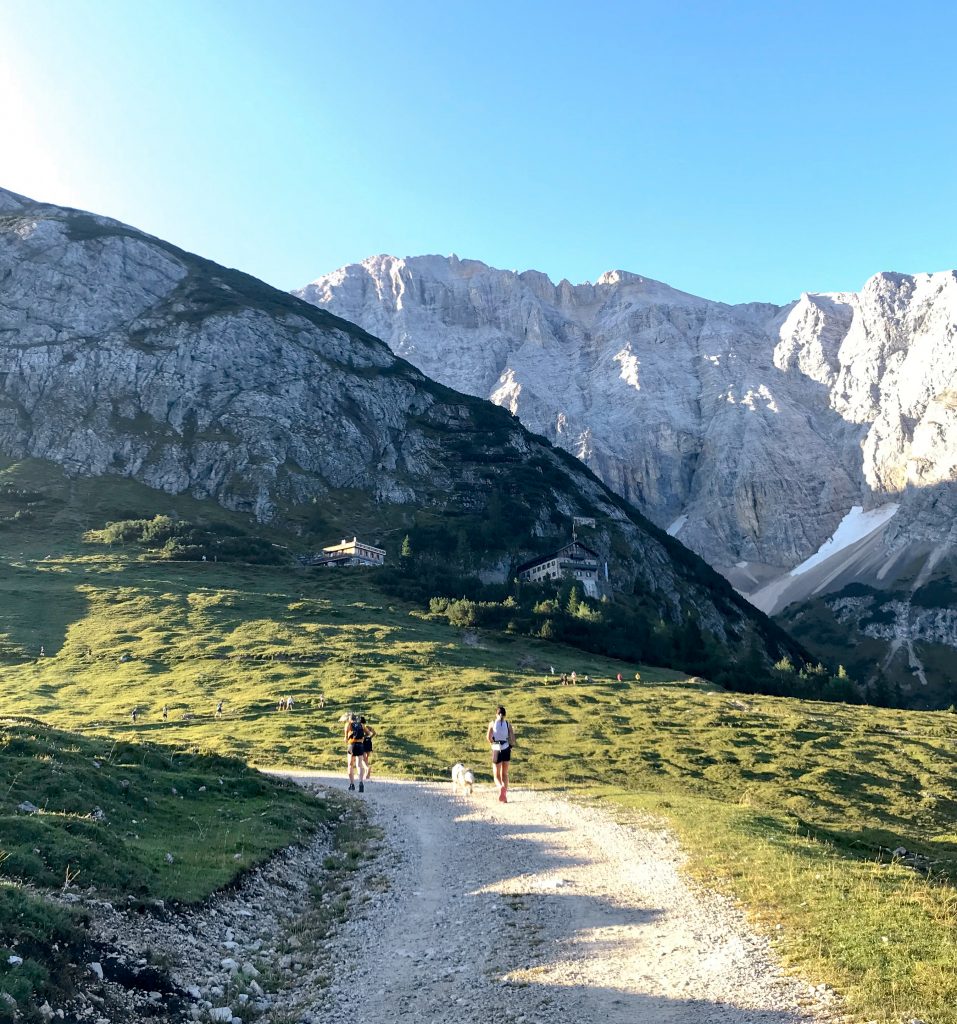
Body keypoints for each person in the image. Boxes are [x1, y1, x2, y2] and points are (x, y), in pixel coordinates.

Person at [487, 705, 515, 803]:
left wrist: (492, 743)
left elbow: (488, 737)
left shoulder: (492, 723)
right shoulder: (508, 724)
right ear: (505, 715)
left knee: (496, 775)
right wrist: (510, 746)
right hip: (506, 748)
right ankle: (504, 796)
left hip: (496, 748)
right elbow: (512, 738)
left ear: (496, 714)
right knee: (505, 774)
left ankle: (500, 787)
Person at [344, 714, 366, 792]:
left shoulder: (348, 724)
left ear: (349, 719)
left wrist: (346, 738)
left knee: (350, 765)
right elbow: (367, 733)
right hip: (360, 745)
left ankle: (352, 784)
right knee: (359, 764)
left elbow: (345, 738)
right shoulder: (361, 725)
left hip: (352, 745)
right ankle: (361, 783)